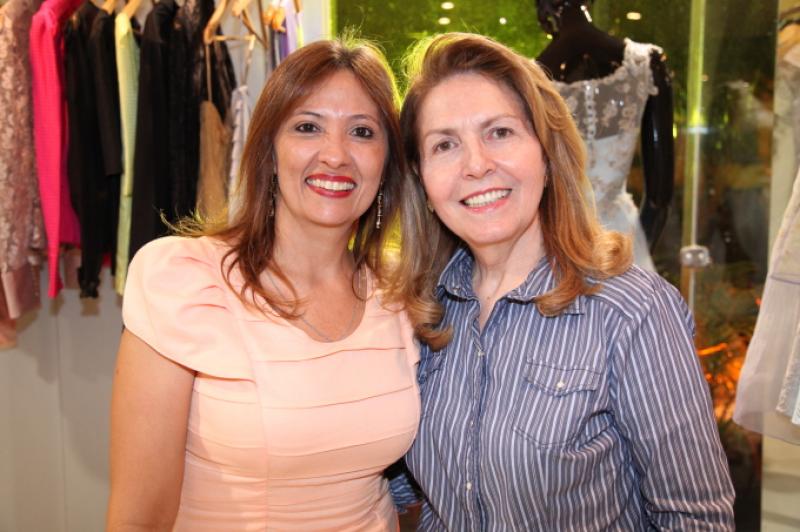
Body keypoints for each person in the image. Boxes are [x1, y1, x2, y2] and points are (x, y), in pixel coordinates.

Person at [395, 33, 735, 530]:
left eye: (499, 132)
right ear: (422, 180)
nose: (476, 165)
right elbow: (393, 485)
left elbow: (696, 519)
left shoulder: (631, 310)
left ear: (547, 155)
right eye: (444, 145)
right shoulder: (420, 314)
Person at [106, 37, 425, 531]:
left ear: (387, 164)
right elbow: (138, 520)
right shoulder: (186, 282)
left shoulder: (400, 288)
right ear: (270, 151)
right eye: (307, 127)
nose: (335, 155)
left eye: (362, 132)